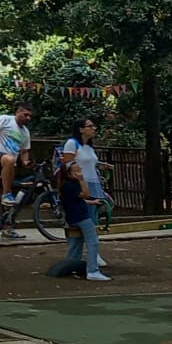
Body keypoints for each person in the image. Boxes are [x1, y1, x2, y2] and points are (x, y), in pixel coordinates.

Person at [53, 118, 110, 281]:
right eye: (90, 126)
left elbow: (89, 163)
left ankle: (85, 258)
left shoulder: (89, 146)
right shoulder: (72, 143)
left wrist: (101, 165)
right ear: (80, 129)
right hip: (80, 184)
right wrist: (78, 178)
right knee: (84, 221)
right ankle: (88, 260)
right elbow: (69, 165)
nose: (94, 128)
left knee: (92, 218)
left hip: (93, 182)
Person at [0, 103, 35, 240]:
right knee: (9, 160)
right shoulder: (5, 120)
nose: (28, 118)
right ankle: (6, 193)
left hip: (9, 165)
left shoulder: (25, 132)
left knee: (15, 199)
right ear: (18, 112)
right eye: (25, 114)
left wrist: (26, 162)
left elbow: (24, 152)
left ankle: (7, 228)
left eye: (30, 116)